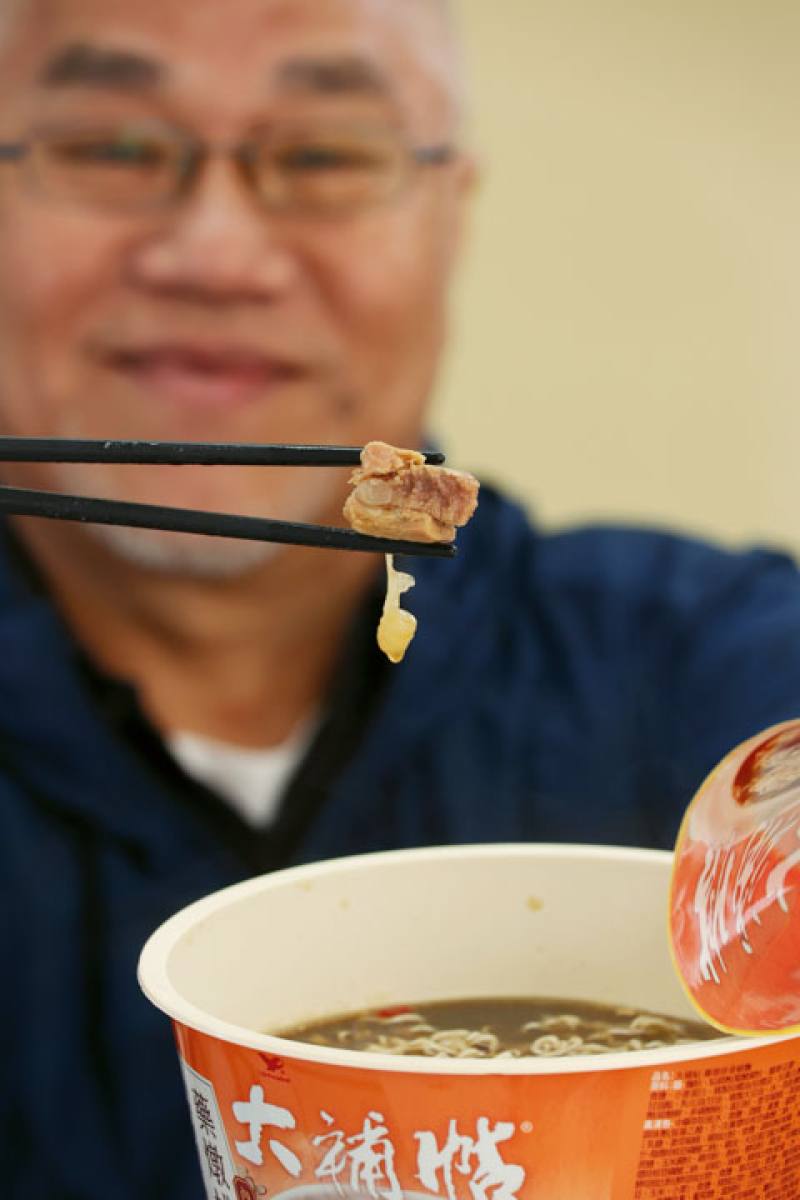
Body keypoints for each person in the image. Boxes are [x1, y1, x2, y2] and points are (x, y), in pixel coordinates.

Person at [0, 0, 799, 1195]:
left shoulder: (702, 659)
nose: (216, 255)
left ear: (447, 214)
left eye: (323, 154)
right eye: (111, 146)